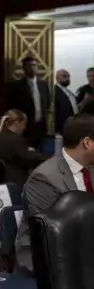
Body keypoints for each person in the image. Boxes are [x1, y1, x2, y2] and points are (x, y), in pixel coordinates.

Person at [15, 114, 94, 274]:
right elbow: (48, 232)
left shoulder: (91, 170)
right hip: (48, 254)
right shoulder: (44, 177)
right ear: (87, 143)